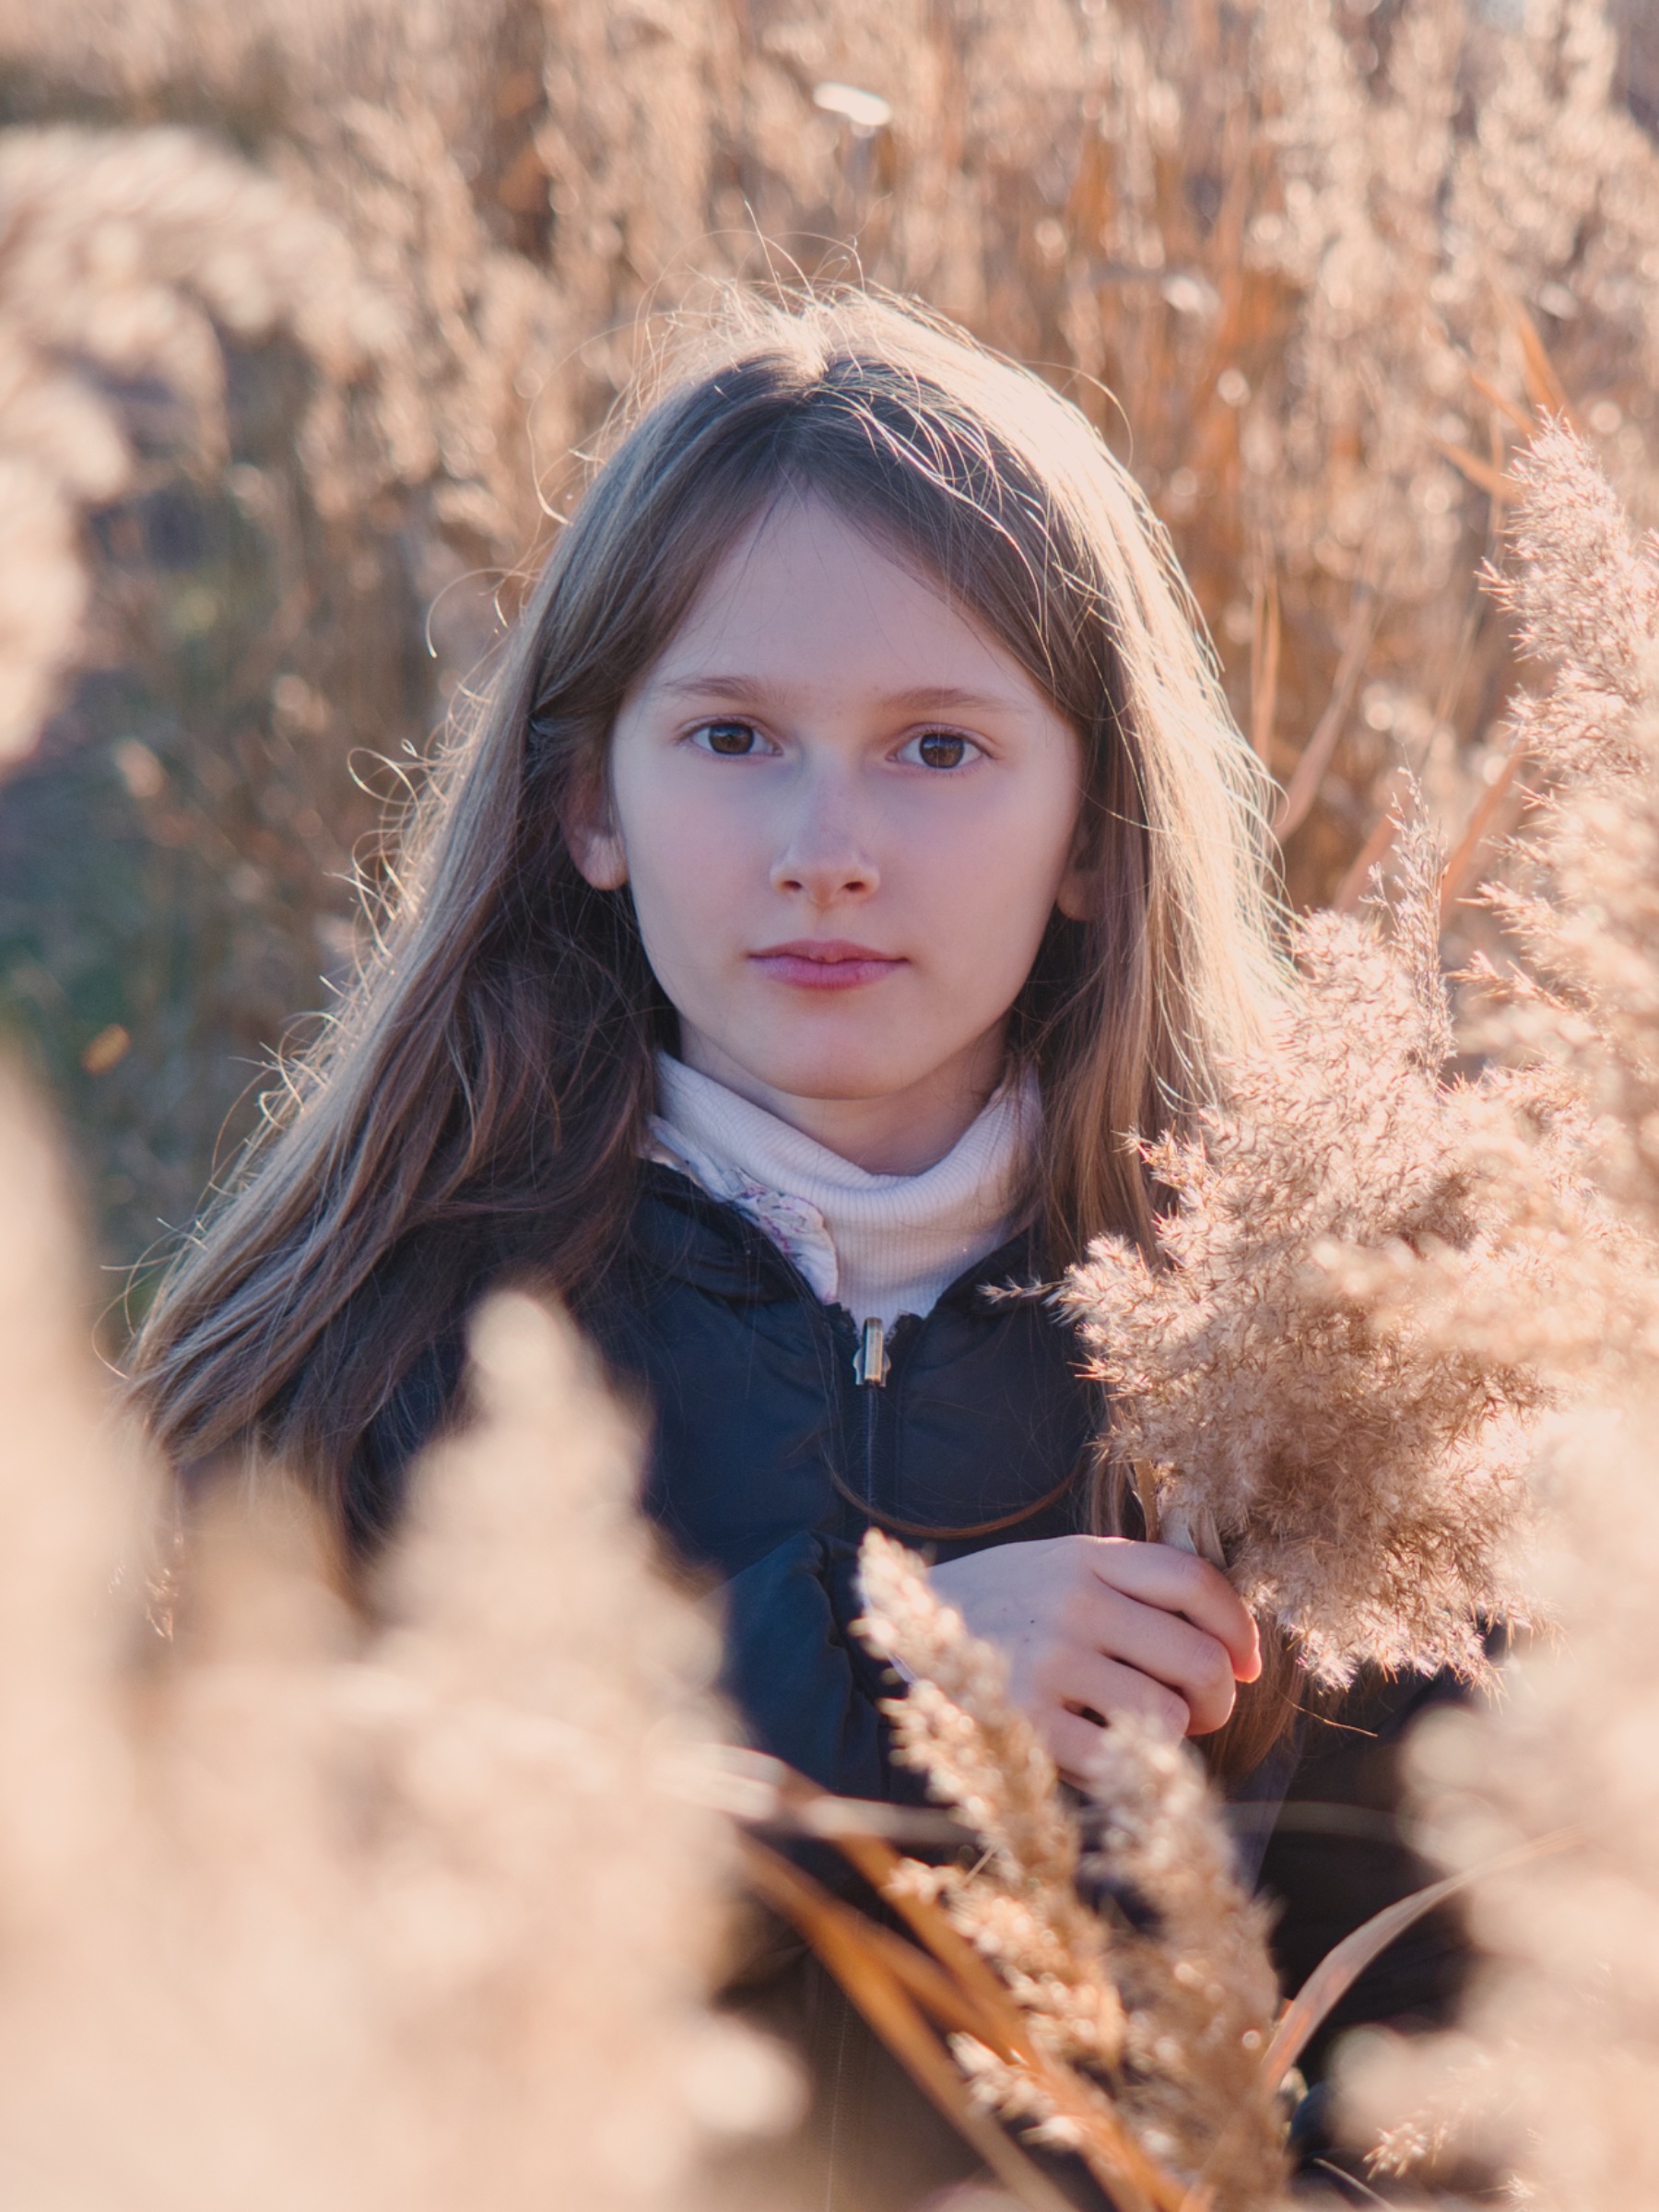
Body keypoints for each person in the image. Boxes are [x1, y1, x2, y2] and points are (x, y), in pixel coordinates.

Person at [126, 291, 1464, 2208]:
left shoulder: (1301, 1364)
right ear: (592, 800)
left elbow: (1475, 2029)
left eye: (937, 749)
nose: (827, 845)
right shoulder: (382, 1340)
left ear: (1093, 825)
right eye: (737, 734)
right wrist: (869, 1676)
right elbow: (242, 1949)